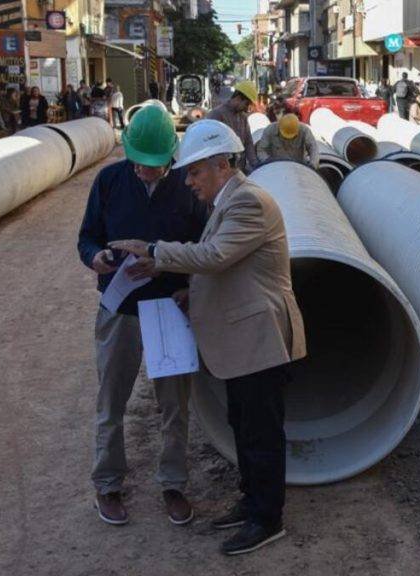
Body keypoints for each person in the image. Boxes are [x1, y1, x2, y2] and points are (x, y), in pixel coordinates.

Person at [110, 119, 306, 556]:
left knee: (260, 431)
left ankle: (266, 518)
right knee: (243, 423)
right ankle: (252, 501)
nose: (189, 181)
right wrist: (189, 291)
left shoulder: (248, 202)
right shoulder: (228, 200)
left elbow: (215, 256)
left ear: (221, 164)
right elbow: (230, 266)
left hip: (261, 339)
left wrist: (155, 251)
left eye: (195, 172)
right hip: (244, 341)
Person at [77, 105, 208, 528]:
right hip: (120, 309)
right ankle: (108, 484)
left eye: (151, 166)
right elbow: (86, 236)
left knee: (174, 403)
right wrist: (93, 257)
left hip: (170, 308)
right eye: (136, 162)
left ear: (171, 158)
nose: (142, 172)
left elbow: (205, 248)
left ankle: (173, 483)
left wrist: (189, 285)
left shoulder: (189, 189)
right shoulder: (110, 180)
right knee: (111, 400)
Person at [206, 80, 259, 173]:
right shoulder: (217, 114)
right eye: (246, 104)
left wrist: (255, 164)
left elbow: (248, 143)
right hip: (222, 171)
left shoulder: (243, 117)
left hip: (239, 170)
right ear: (238, 98)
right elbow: (210, 145)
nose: (247, 108)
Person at [255, 113, 319, 168]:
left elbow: (313, 148)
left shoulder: (304, 130)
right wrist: (267, 161)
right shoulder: (270, 130)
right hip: (276, 167)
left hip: (299, 167)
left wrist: (312, 164)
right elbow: (261, 150)